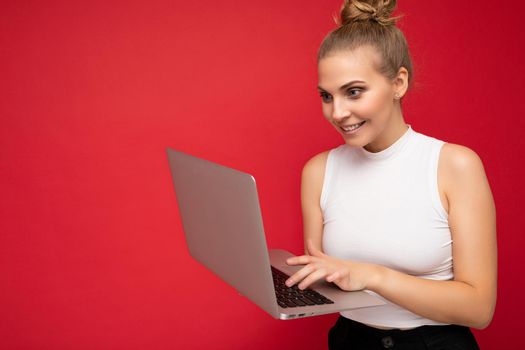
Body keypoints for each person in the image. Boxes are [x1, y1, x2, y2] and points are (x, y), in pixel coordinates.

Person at [284, 0, 497, 348]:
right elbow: (328, 280)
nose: (338, 113)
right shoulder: (319, 171)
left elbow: (479, 308)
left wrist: (373, 276)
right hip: (350, 340)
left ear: (398, 83)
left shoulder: (454, 165)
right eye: (326, 96)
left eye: (354, 92)